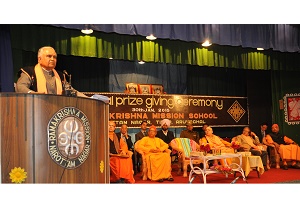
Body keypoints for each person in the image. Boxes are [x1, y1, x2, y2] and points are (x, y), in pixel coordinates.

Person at [15, 46, 87, 97]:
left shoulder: (61, 76)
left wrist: (88, 98)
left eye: (54, 57)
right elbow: (20, 86)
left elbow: (71, 91)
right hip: (36, 108)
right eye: (49, 56)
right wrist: (34, 94)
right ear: (39, 59)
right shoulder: (29, 72)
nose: (52, 59)